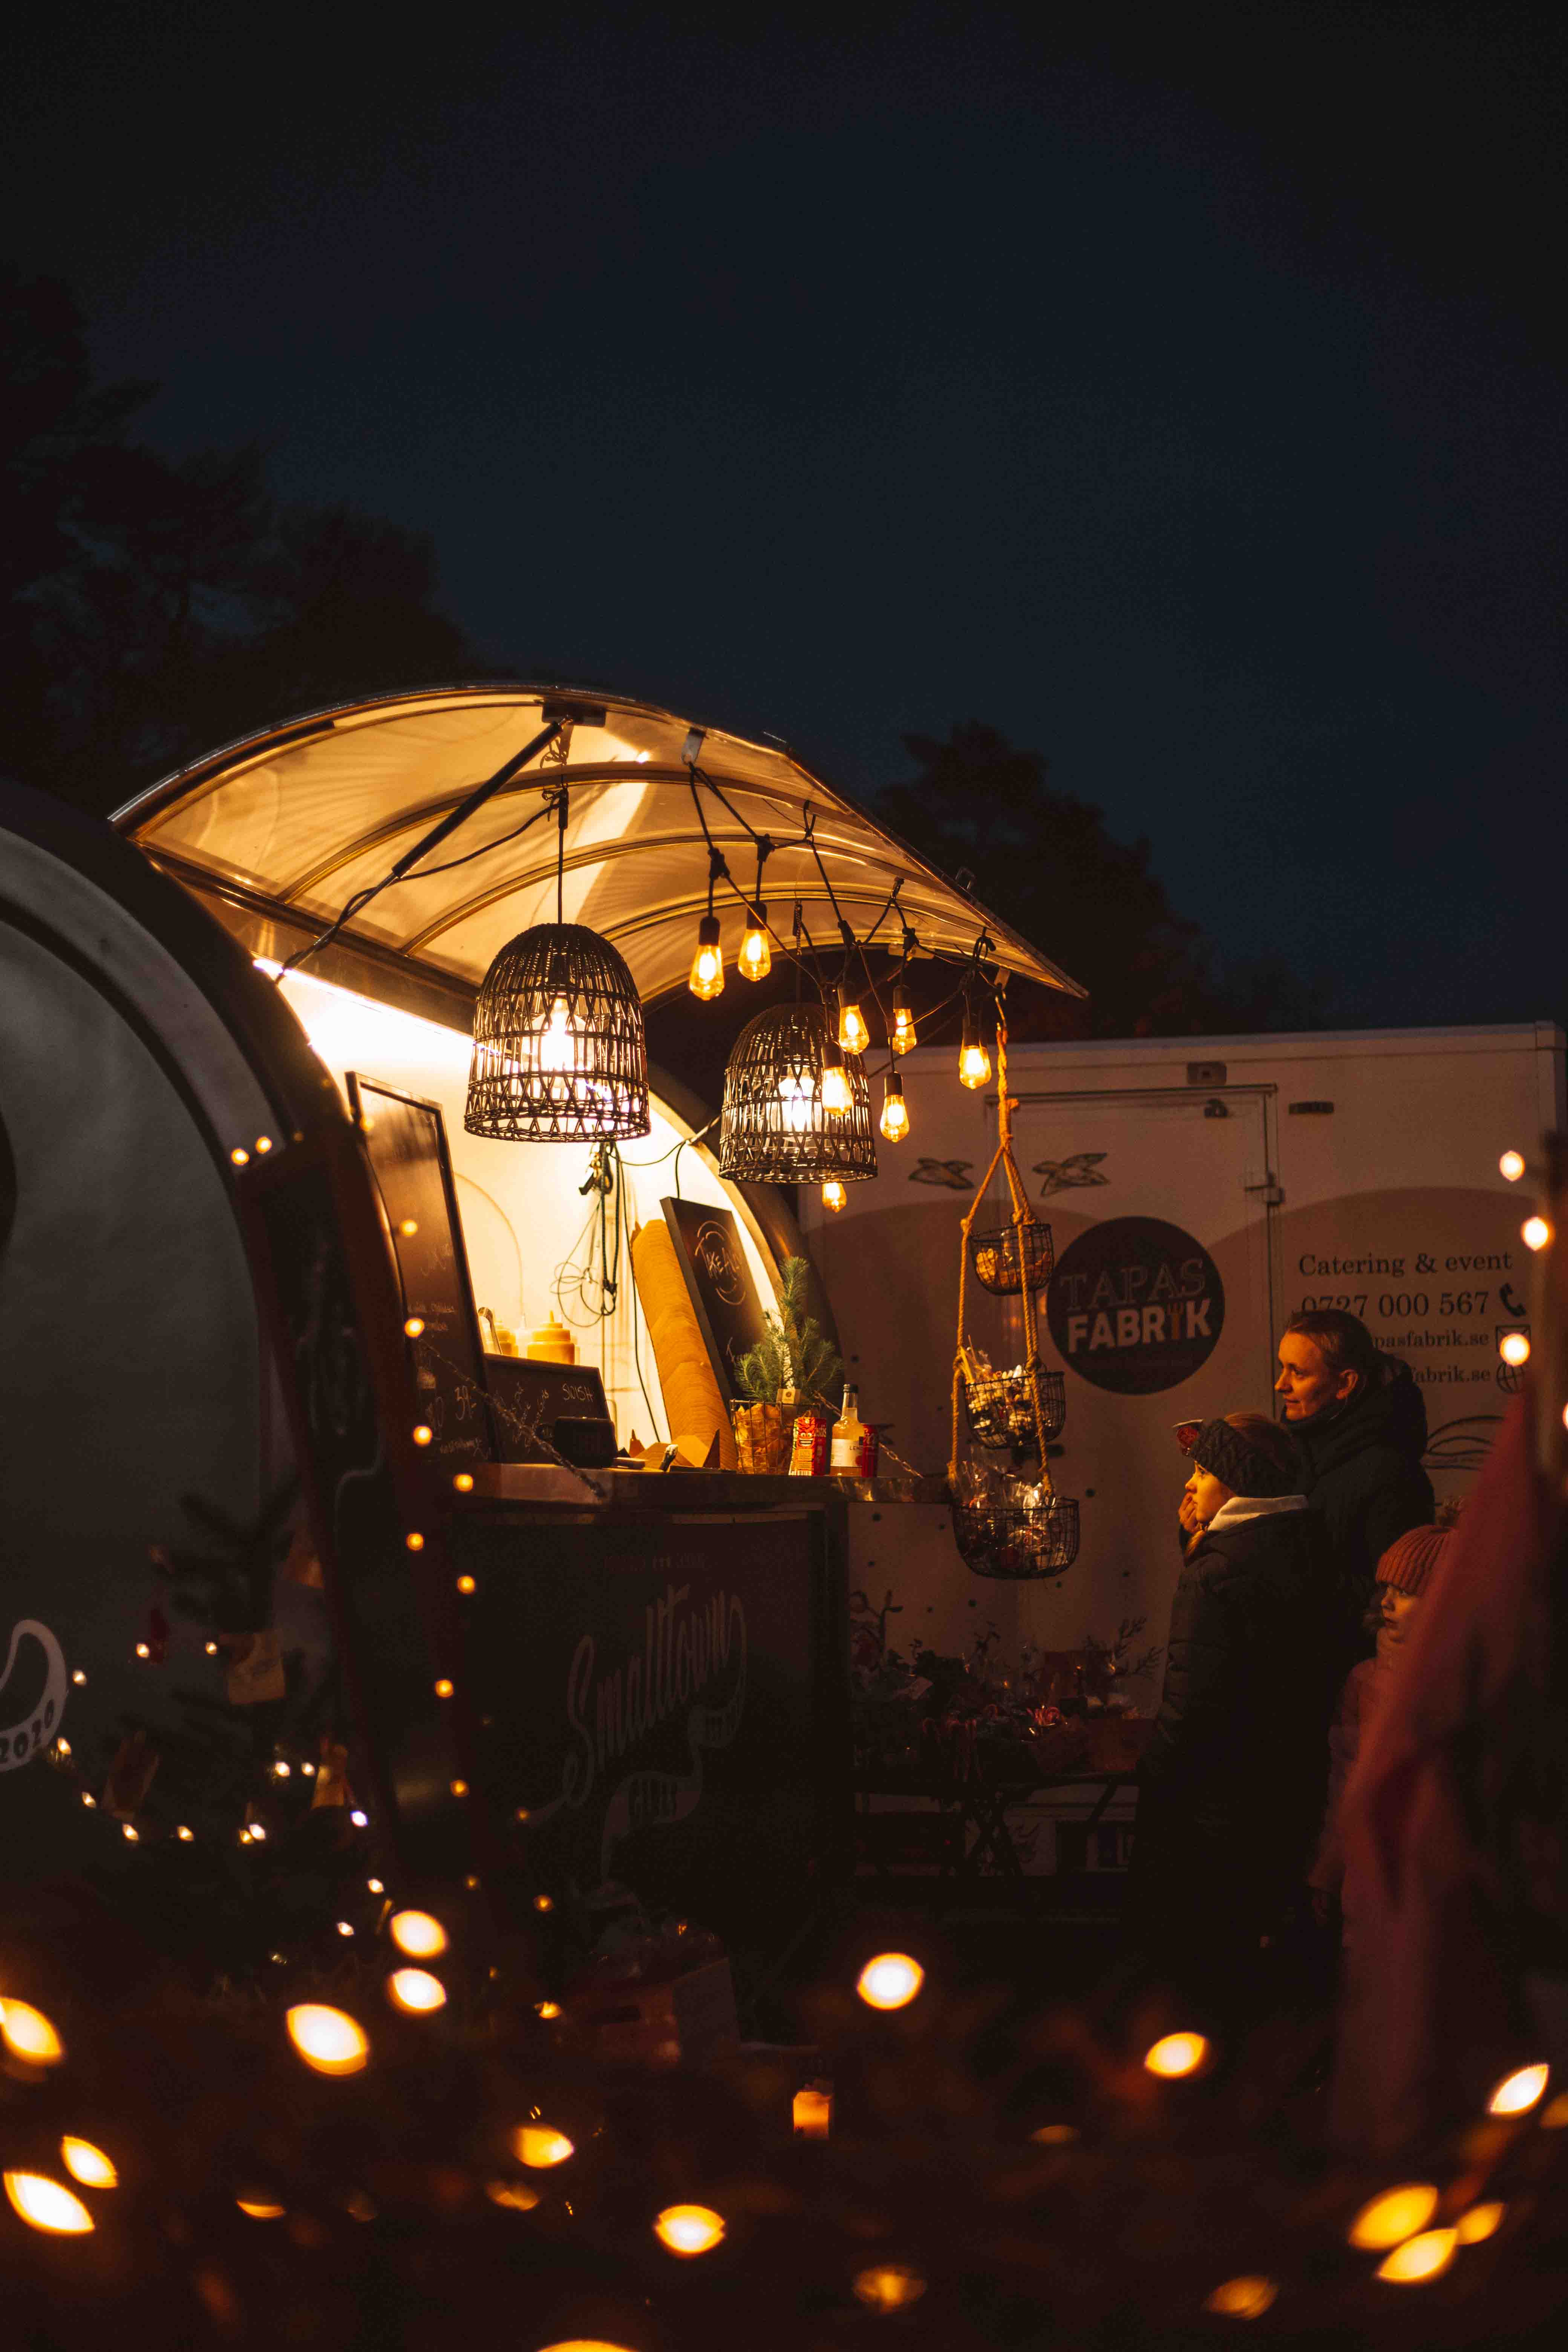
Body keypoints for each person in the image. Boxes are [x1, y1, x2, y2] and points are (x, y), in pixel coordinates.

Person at [1127, 1413, 1338, 2017]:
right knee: (1253, 1955)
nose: (1190, 1486)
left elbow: (1193, 1703)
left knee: (1201, 1964)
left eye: (1204, 1471)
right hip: (1284, 1787)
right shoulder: (1303, 1544)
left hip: (1216, 1801)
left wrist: (1155, 1774)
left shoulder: (1216, 1572)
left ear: (1240, 1485)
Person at [1306, 1514, 1454, 1932]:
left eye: (1405, 1592)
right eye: (1386, 1588)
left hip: (1437, 1887)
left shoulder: (1462, 1685)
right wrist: (1328, 1873)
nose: (1386, 1602)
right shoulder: (1364, 1681)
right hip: (1369, 1880)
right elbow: (1344, 1783)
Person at [1275, 1310, 1433, 1619]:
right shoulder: (1288, 1452)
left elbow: (1390, 1598)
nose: (1281, 1384)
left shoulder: (1392, 1475)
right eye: (1282, 1368)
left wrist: (1285, 1571)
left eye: (1299, 1373)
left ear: (1345, 1383)